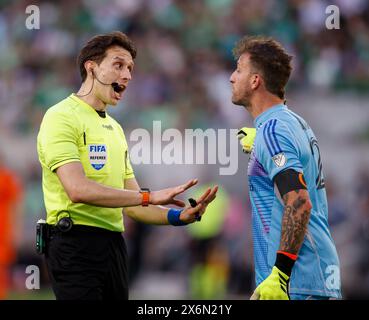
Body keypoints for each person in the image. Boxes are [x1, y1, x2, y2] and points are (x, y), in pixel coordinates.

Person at [36, 31, 218, 300]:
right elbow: (77, 189)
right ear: (92, 67)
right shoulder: (60, 116)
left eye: (131, 68)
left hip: (114, 245)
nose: (128, 76)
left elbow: (133, 208)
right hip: (74, 243)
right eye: (119, 65)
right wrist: (147, 196)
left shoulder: (115, 129)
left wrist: (178, 217)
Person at [230, 36, 342, 300]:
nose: (232, 77)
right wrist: (262, 148)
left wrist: (280, 275)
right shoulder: (292, 122)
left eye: (238, 69)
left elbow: (300, 202)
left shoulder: (273, 131)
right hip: (315, 275)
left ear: (255, 81)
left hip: (298, 281)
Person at [0, 154, 23, 299]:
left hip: (4, 229)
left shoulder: (6, 177)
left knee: (2, 265)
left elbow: (16, 205)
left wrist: (17, 229)